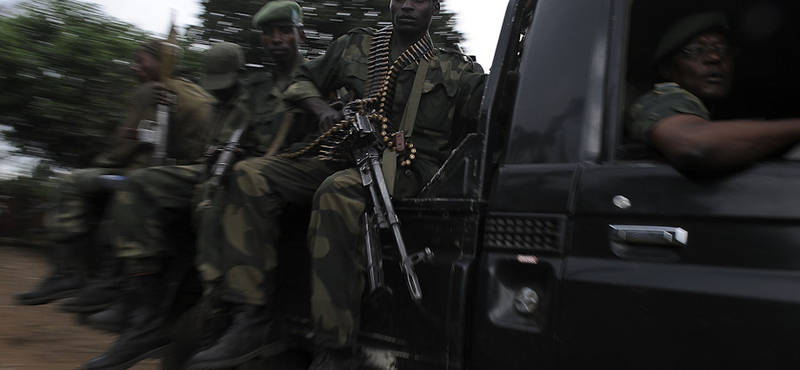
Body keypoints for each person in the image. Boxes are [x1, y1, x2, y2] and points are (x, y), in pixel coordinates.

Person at [187, 0, 486, 369]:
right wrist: (321, 110)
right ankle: (252, 315)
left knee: (337, 192)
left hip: (405, 168)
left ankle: (335, 346)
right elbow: (302, 81)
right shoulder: (357, 46)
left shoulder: (457, 70)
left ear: (434, 9)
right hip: (341, 152)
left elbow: (495, 111)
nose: (407, 4)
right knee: (249, 175)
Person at [83, 2, 315, 369]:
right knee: (177, 191)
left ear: (300, 33)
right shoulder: (256, 88)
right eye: (269, 33)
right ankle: (155, 309)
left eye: (284, 31)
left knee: (228, 191)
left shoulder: (318, 79)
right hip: (245, 177)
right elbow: (232, 137)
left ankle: (226, 311)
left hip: (290, 183)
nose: (276, 39)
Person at [15, 39, 215, 308]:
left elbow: (121, 150)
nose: (135, 68)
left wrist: (99, 165)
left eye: (140, 61)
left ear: (161, 62)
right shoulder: (190, 91)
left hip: (155, 174)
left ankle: (71, 275)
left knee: (72, 183)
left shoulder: (153, 91)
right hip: (182, 170)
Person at [627, 11, 800, 173]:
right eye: (695, 50)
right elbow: (693, 144)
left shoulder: (721, 109)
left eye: (723, 50)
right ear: (668, 69)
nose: (715, 58)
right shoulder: (662, 99)